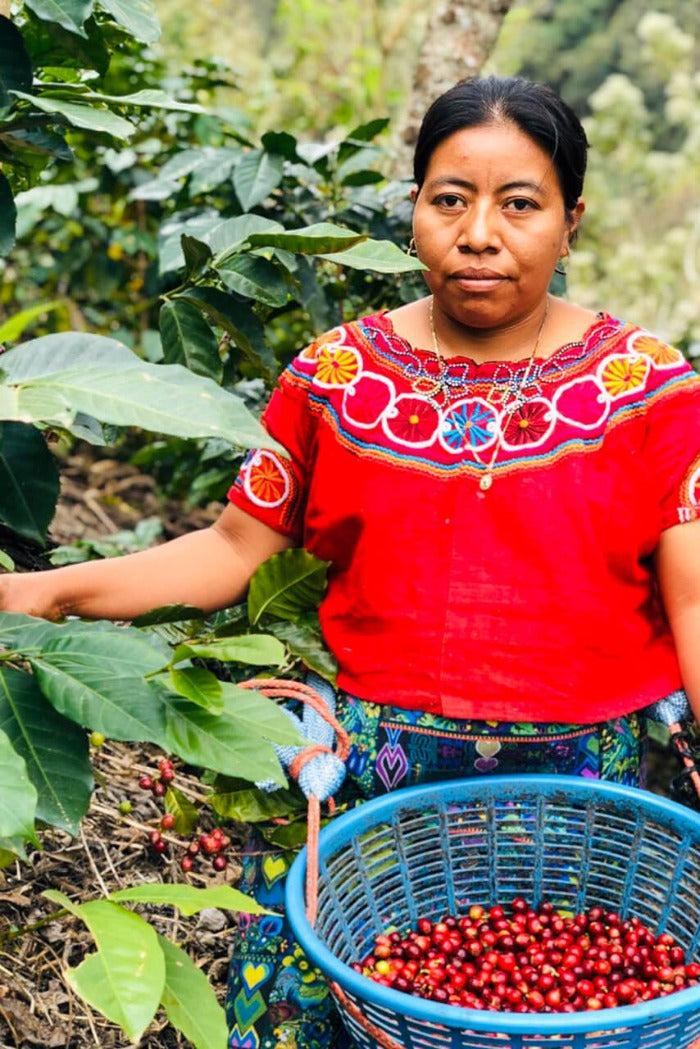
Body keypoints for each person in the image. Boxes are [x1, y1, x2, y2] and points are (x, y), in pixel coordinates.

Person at [2, 75, 700, 1048]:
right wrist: (36, 594)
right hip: (368, 774)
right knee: (336, 1004)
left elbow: (695, 601)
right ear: (413, 206)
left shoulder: (650, 390)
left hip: (585, 790)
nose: (479, 232)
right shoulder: (336, 375)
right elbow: (233, 547)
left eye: (520, 203)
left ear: (570, 220)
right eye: (448, 197)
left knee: (570, 996)